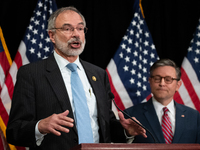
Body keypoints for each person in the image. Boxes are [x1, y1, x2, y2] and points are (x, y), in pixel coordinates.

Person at [6, 6, 145, 150]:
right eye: (68, 29)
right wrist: (40, 126)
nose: (76, 34)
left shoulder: (98, 74)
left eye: (80, 28)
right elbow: (14, 131)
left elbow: (105, 125)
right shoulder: (31, 74)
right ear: (51, 35)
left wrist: (126, 131)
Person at [119, 59, 200, 143]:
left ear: (178, 85)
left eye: (168, 79)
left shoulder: (194, 116)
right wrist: (128, 134)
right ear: (150, 82)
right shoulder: (131, 114)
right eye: (157, 78)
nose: (162, 83)